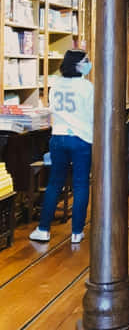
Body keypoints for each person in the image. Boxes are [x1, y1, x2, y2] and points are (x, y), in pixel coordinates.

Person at [29, 49, 93, 245]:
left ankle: (43, 229)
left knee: (54, 183)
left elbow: (52, 108)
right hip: (81, 138)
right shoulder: (86, 87)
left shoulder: (55, 84)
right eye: (86, 61)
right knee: (81, 184)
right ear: (77, 64)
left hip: (58, 137)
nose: (88, 64)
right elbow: (92, 114)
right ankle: (76, 232)